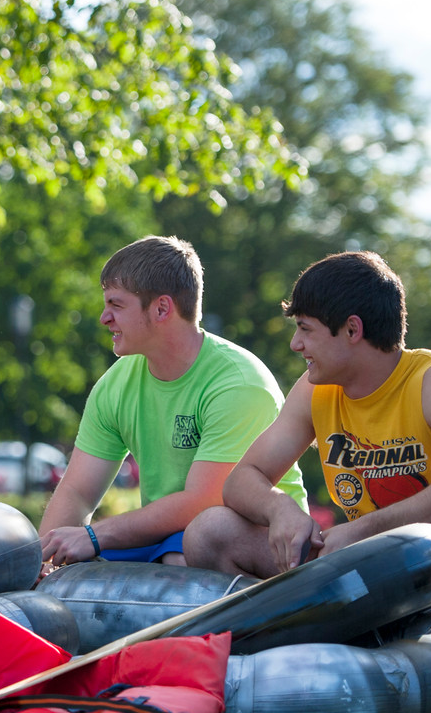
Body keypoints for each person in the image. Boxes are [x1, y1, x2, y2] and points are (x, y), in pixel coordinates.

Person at [184, 251, 431, 627]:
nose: (296, 344)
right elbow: (243, 479)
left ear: (351, 330)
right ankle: (276, 649)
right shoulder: (316, 390)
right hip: (368, 569)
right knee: (210, 530)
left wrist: (363, 531)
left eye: (305, 328)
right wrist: (280, 509)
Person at [40, 236, 306, 567]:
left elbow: (204, 503)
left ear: (162, 308)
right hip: (170, 538)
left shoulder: (238, 382)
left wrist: (95, 536)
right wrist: (44, 563)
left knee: (180, 554)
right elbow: (77, 492)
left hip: (254, 544)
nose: (103, 318)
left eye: (116, 305)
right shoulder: (116, 384)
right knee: (65, 565)